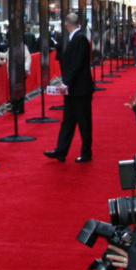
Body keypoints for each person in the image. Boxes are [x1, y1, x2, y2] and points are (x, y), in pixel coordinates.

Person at [45, 13, 94, 163]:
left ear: (67, 24)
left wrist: (66, 83)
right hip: (74, 89)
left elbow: (77, 63)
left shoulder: (79, 38)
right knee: (68, 121)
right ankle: (61, 150)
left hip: (80, 89)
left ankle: (86, 153)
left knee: (84, 122)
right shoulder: (77, 38)